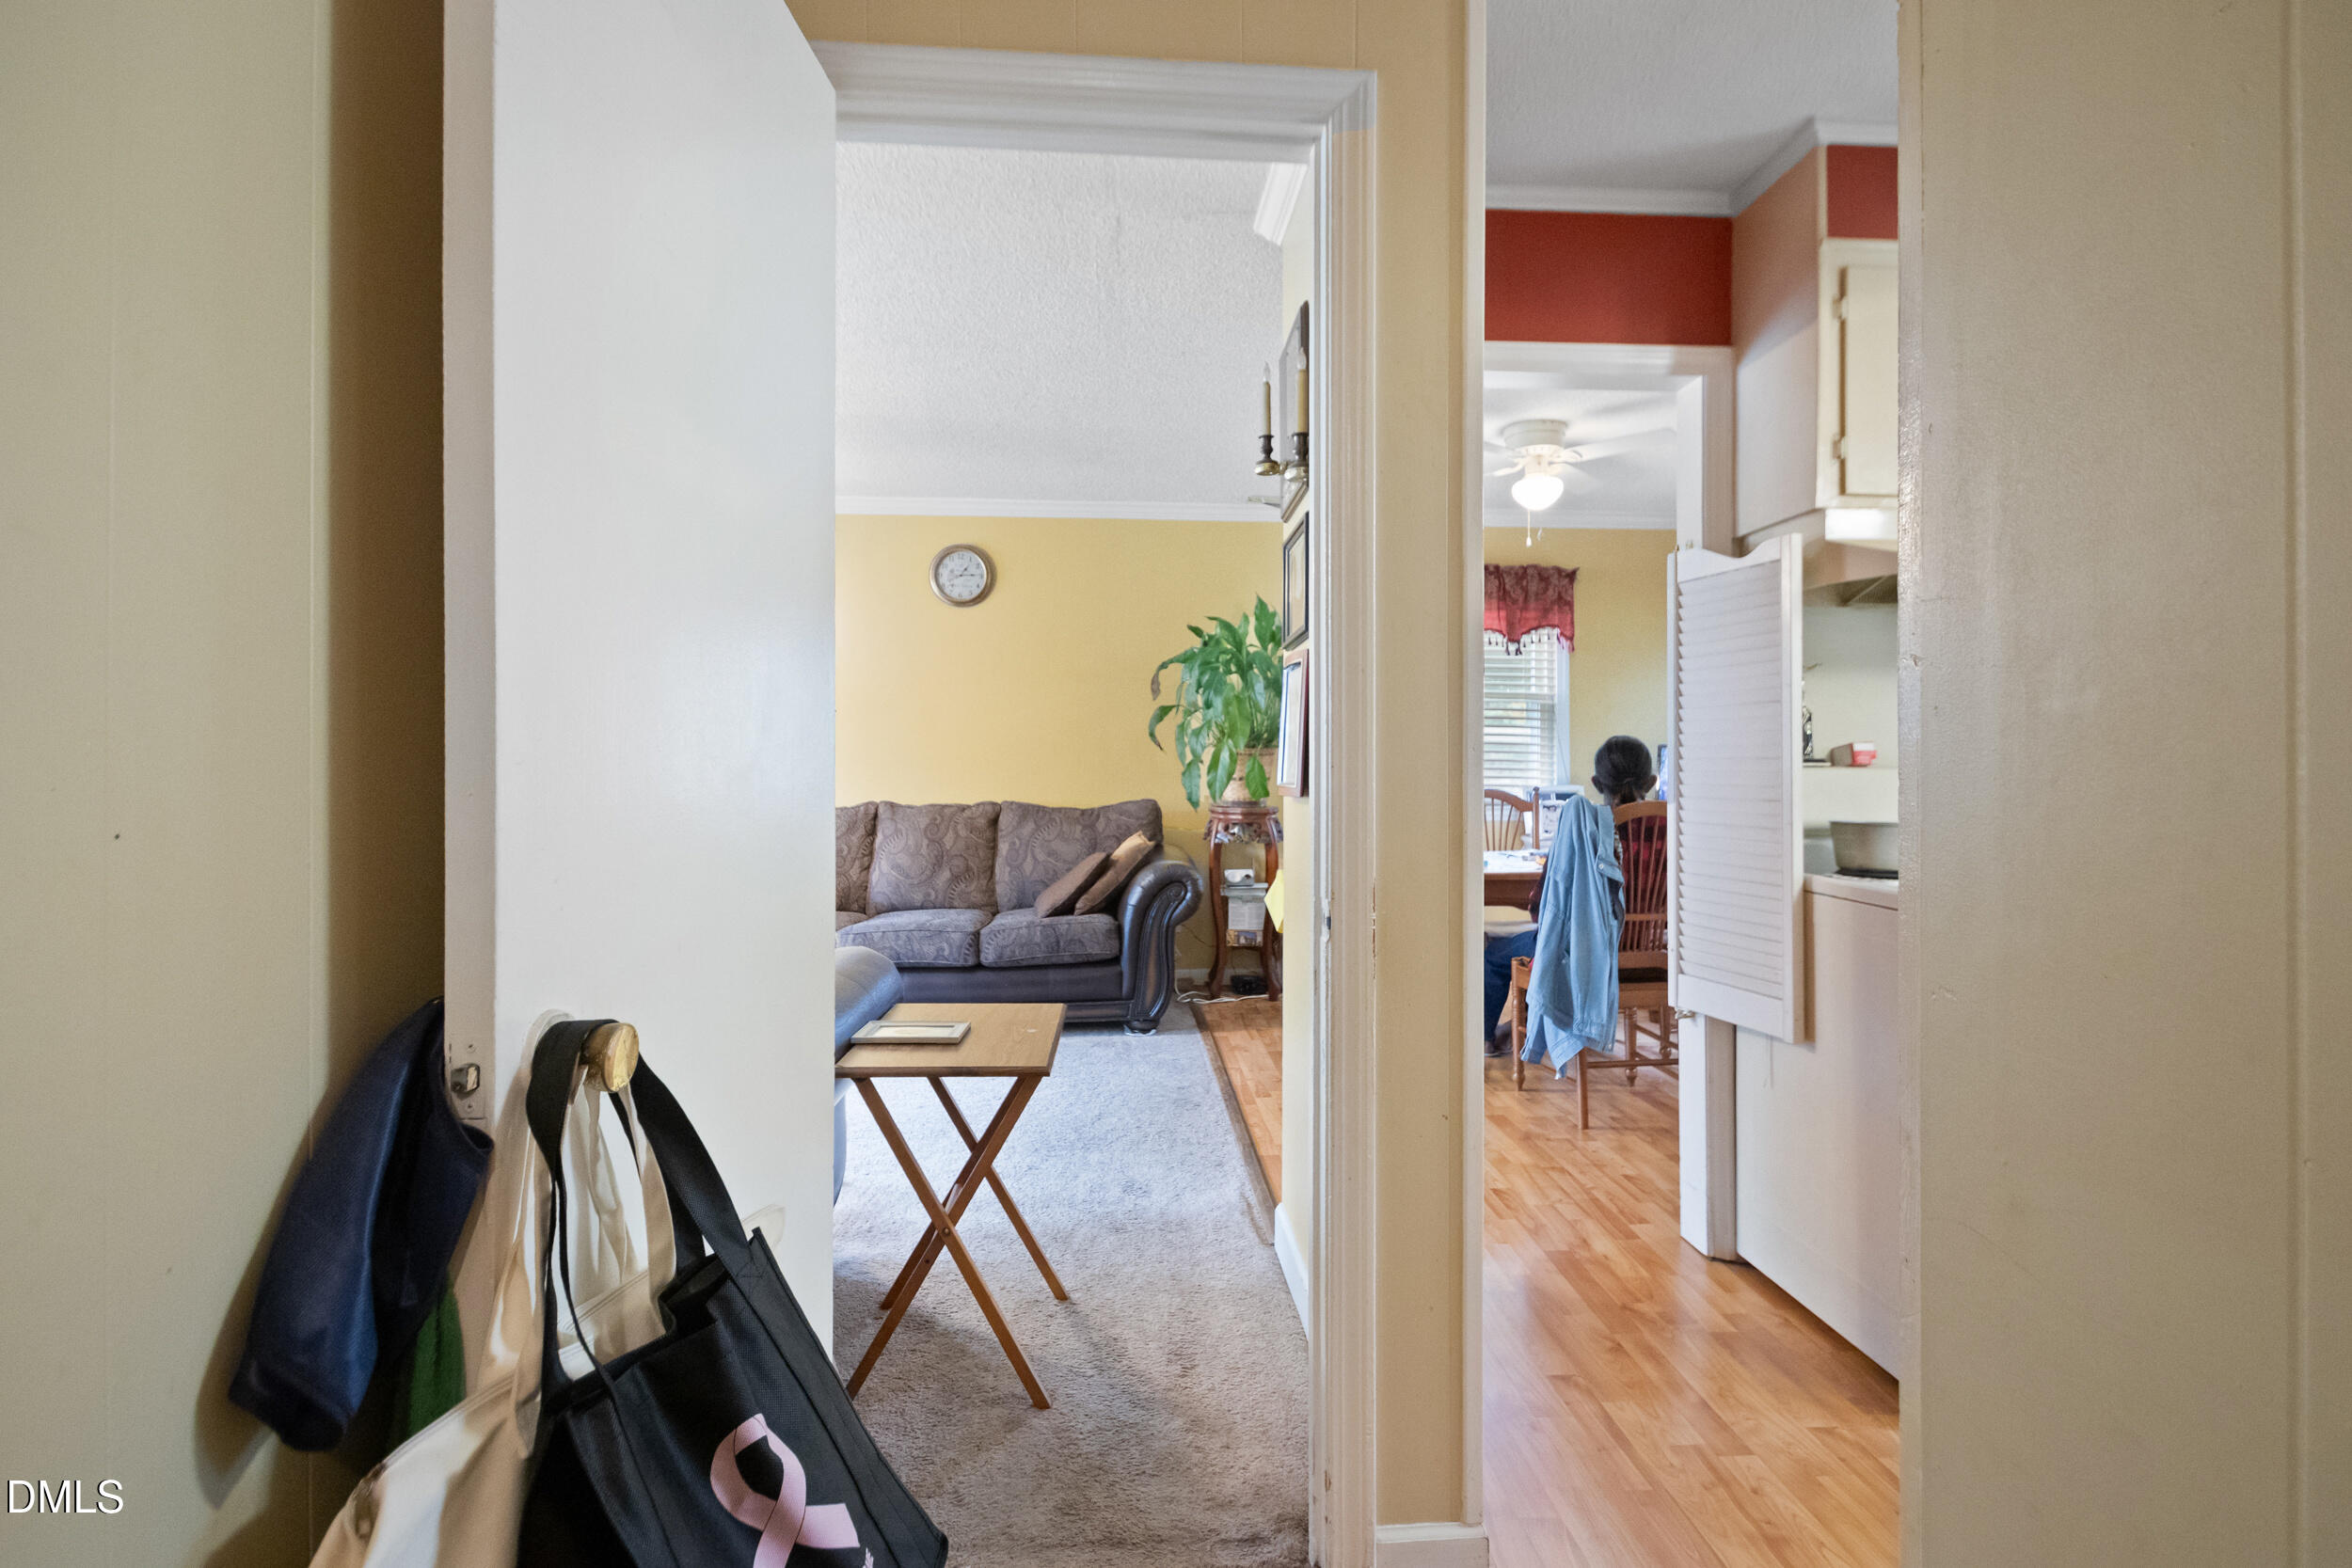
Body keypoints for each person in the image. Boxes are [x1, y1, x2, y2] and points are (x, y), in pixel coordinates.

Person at [1482, 736, 1658, 1054]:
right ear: (1652, 781)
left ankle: (1490, 1038)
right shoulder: (1669, 829)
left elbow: (1541, 908)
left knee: (1496, 953)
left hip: (1585, 959)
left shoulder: (1582, 829)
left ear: (1595, 782)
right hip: (1648, 956)